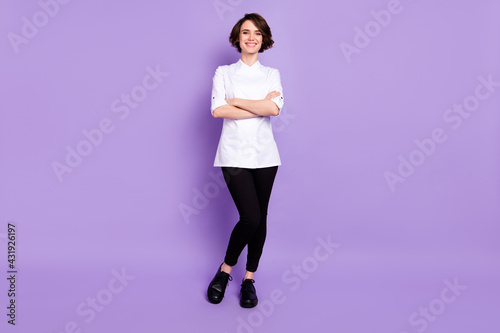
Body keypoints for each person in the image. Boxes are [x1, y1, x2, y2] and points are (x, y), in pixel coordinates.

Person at [206, 13, 284, 308]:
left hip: (266, 156)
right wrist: (259, 105)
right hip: (233, 154)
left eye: (257, 33)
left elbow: (274, 109)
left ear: (263, 39)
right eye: (246, 32)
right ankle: (226, 270)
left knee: (260, 219)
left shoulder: (271, 74)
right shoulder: (223, 73)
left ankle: (249, 278)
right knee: (249, 217)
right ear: (237, 37)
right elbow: (217, 111)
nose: (251, 37)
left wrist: (234, 100)